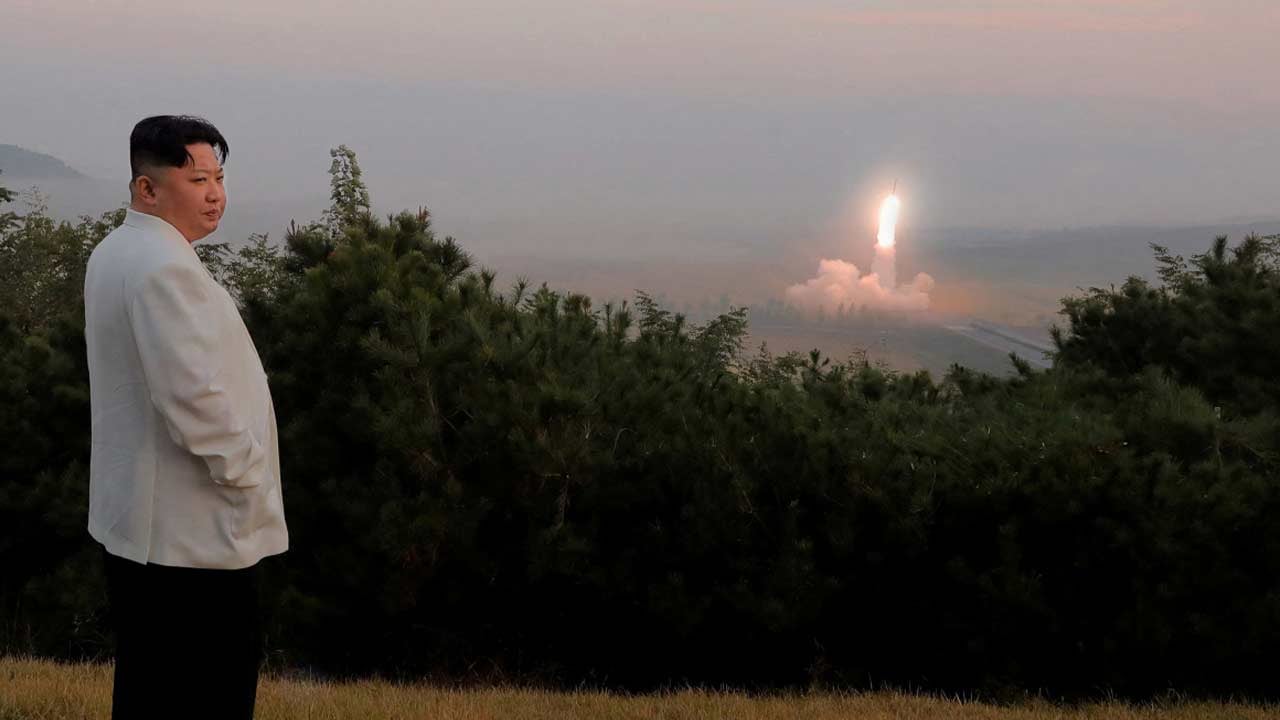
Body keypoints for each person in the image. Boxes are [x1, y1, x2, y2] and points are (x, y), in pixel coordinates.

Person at [84, 115, 288, 719]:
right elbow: (194, 397)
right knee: (207, 691)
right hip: (189, 536)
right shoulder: (162, 267)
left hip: (146, 529)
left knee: (151, 687)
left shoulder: (119, 250)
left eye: (219, 176)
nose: (215, 193)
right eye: (198, 178)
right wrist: (247, 472)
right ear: (147, 189)